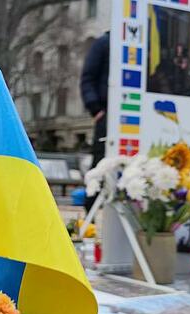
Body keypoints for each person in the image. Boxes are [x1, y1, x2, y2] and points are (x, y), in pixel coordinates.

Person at [80, 31, 109, 212]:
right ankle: (90, 211)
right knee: (99, 166)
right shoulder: (103, 43)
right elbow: (88, 78)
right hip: (106, 114)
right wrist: (96, 109)